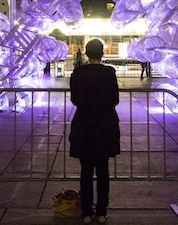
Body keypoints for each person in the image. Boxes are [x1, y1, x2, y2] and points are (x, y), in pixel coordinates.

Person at [69, 39, 120, 224]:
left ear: (86, 53)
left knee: (86, 171)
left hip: (84, 126)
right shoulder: (109, 73)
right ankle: (102, 212)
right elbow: (115, 99)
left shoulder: (77, 73)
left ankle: (86, 212)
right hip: (105, 127)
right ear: (102, 53)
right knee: (103, 171)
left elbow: (74, 99)